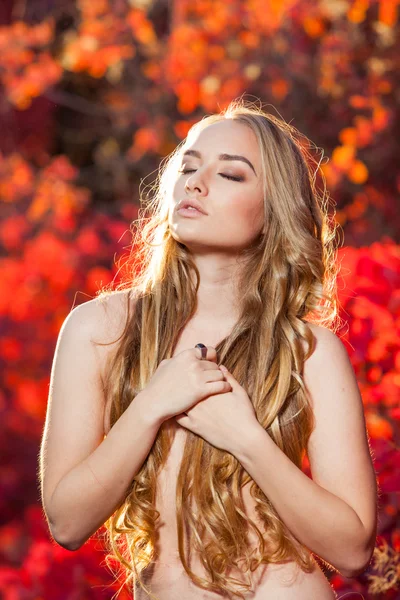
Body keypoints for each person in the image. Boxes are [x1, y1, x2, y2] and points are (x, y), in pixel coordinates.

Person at [39, 98, 378, 600]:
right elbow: (67, 522)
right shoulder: (99, 329)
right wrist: (152, 405)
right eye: (189, 166)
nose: (195, 183)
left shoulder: (310, 350)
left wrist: (245, 436)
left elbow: (352, 550)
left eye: (231, 175)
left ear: (272, 210)